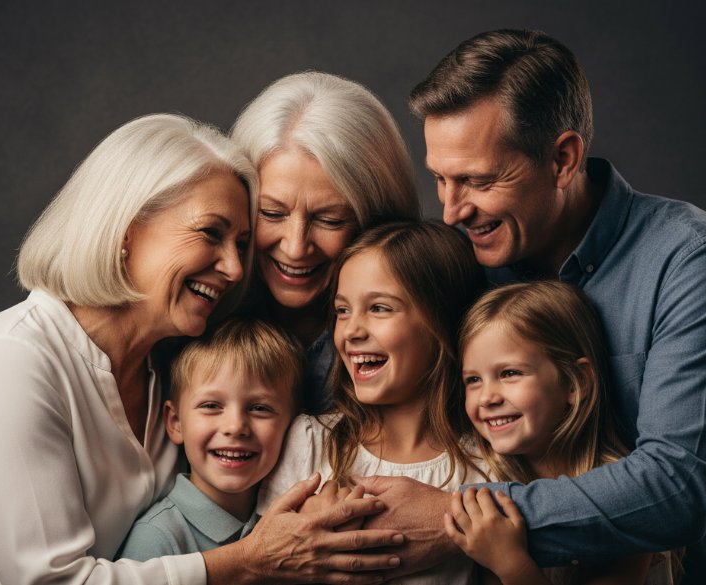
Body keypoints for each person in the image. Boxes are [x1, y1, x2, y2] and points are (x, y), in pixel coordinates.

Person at [0, 71, 422, 583]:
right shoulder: (170, 340)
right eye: (268, 216)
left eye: (329, 219)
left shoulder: (175, 342)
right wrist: (251, 562)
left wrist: (456, 517)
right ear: (125, 229)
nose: (287, 247)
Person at [353, 29, 706, 585]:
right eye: (440, 178)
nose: (452, 210)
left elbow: (677, 489)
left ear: (562, 158)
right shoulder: (464, 262)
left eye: (478, 180)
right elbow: (360, 355)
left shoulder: (693, 259)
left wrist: (454, 517)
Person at [258, 220, 489, 584]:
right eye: (343, 311)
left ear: (442, 322)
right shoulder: (309, 442)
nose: (352, 331)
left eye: (379, 308)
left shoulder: (485, 469)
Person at [449, 281, 677, 585]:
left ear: (574, 383)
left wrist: (511, 564)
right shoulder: (484, 476)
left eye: (510, 373)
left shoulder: (622, 498)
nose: (487, 397)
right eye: (474, 380)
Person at [231, 71, 422, 413]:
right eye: (272, 213)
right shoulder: (204, 320)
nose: (295, 247)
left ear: (376, 218)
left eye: (329, 220)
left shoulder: (425, 333)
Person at [119, 317, 303, 560]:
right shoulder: (156, 540)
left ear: (292, 425)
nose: (236, 427)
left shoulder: (292, 523)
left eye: (259, 408)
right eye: (211, 405)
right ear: (175, 422)